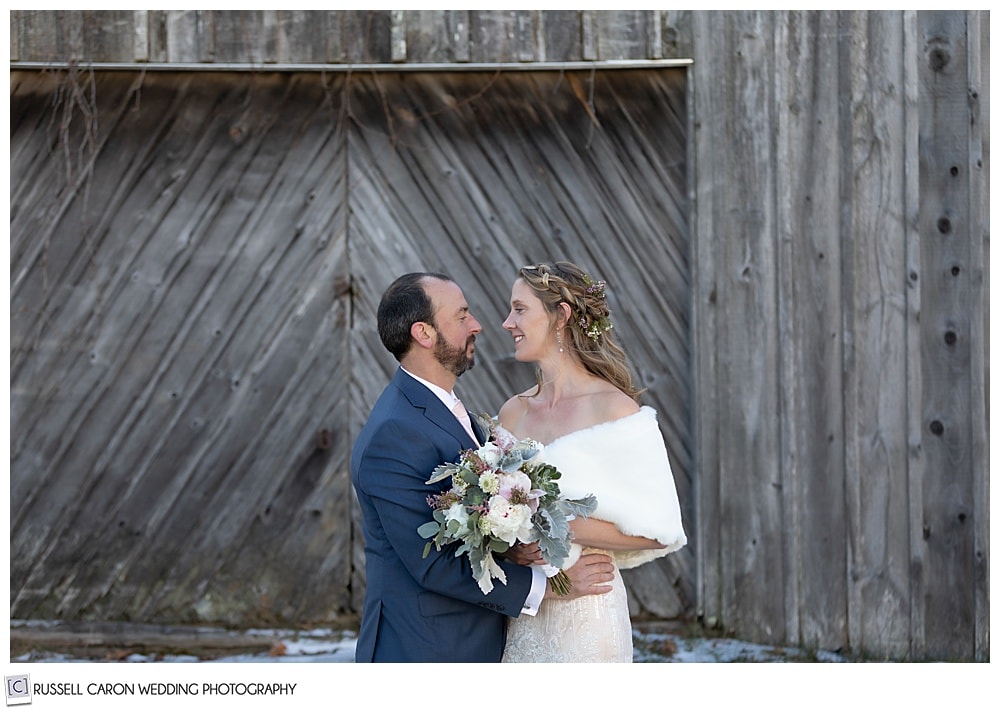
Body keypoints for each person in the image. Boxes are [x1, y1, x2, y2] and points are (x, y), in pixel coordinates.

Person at [350, 271, 616, 663]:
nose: (477, 325)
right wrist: (555, 585)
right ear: (423, 333)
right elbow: (433, 565)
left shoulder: (447, 412)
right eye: (462, 316)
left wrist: (512, 549)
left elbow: (466, 528)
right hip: (426, 651)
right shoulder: (395, 432)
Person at [497, 261, 688, 663]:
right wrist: (511, 547)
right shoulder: (512, 413)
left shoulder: (615, 410)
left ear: (560, 316)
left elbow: (661, 531)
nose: (507, 322)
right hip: (527, 614)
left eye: (520, 309)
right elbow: (498, 516)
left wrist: (551, 524)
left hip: (588, 616)